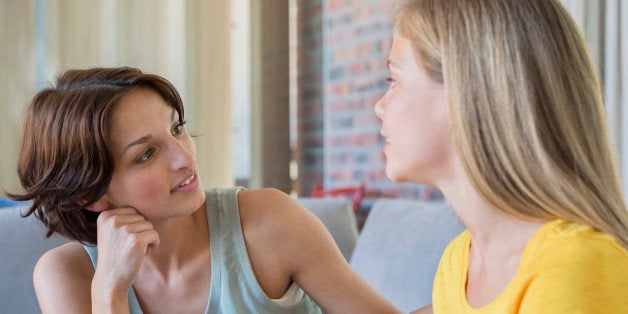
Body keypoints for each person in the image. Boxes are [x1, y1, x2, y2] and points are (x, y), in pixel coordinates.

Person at [8, 67, 401, 314]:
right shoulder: (68, 275)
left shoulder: (267, 222)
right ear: (88, 194)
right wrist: (110, 291)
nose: (184, 157)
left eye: (177, 128)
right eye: (146, 154)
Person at [375, 0, 628, 313]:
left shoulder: (574, 268)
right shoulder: (460, 263)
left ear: (464, 92)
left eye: (394, 80)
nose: (379, 106)